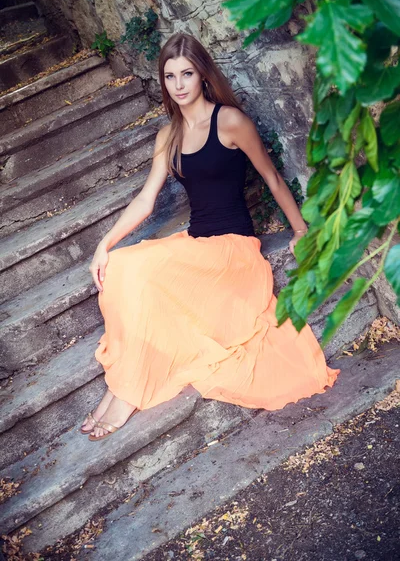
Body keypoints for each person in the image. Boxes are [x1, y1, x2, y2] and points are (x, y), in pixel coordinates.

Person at [81, 32, 340, 441]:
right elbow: (146, 200)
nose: (179, 85)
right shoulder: (168, 136)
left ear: (203, 75)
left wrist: (300, 228)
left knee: (144, 277)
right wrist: (103, 244)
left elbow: (271, 177)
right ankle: (125, 385)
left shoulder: (230, 121)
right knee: (123, 267)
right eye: (170, 76)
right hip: (197, 243)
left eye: (187, 74)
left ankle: (128, 392)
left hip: (233, 250)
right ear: (163, 82)